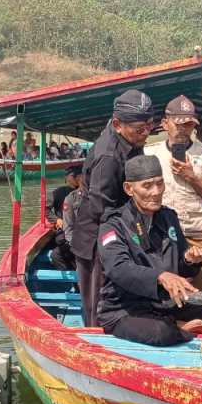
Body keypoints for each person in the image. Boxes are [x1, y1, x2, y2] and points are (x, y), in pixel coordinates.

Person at [97, 155, 202, 346]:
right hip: (125, 309)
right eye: (147, 186)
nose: (156, 192)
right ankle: (181, 329)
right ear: (129, 189)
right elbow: (118, 268)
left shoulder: (169, 217)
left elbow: (180, 272)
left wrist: (190, 261)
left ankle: (177, 323)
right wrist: (160, 276)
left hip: (167, 304)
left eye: (159, 184)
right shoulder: (113, 225)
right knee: (160, 333)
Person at [72, 89, 154, 326]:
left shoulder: (130, 140)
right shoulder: (109, 157)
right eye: (140, 129)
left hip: (121, 225)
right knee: (100, 301)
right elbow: (101, 209)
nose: (146, 132)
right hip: (98, 236)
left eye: (150, 125)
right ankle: (98, 345)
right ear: (117, 124)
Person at [144, 95, 202, 289]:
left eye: (188, 125)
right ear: (165, 123)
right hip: (159, 235)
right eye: (178, 124)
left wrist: (192, 177)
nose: (182, 129)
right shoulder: (149, 153)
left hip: (196, 235)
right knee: (164, 291)